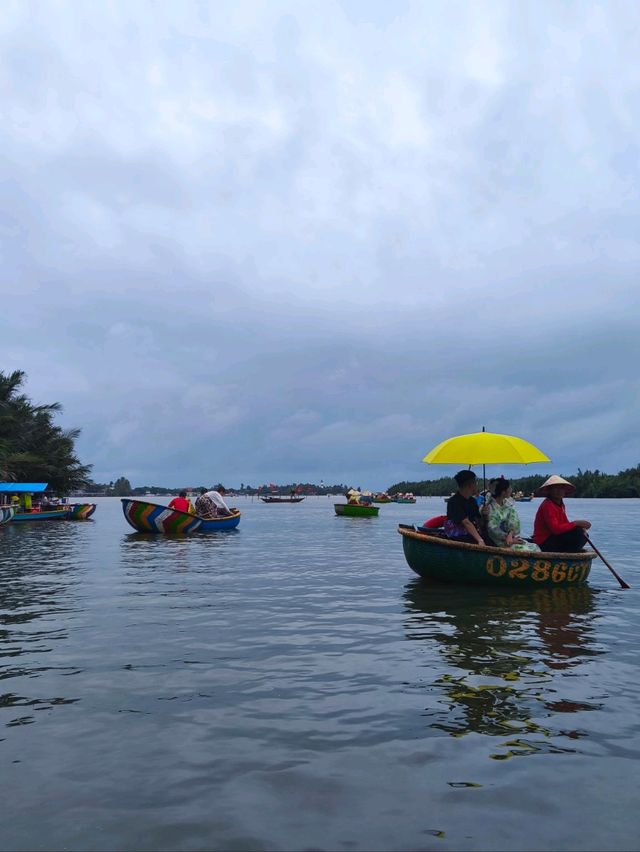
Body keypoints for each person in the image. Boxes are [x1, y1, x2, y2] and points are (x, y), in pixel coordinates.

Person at [532, 475, 591, 552]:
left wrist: (580, 527)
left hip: (553, 539)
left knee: (581, 532)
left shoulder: (560, 504)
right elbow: (555, 529)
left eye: (561, 488)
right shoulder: (547, 505)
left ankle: (572, 550)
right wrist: (576, 523)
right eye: (556, 488)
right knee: (578, 533)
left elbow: (565, 524)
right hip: (543, 542)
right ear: (550, 490)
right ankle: (571, 551)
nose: (559, 491)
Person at [486, 478, 539, 551]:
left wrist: (511, 534)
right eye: (509, 488)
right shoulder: (489, 507)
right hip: (499, 541)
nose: (511, 490)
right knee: (527, 550)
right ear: (503, 492)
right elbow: (492, 529)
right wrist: (508, 538)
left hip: (511, 538)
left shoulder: (508, 505)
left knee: (534, 546)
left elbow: (514, 522)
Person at [444, 470, 485, 546]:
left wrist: (485, 514)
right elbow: (466, 522)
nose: (477, 485)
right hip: (458, 537)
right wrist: (480, 540)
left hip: (471, 534)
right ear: (470, 484)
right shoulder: (454, 502)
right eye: (475, 482)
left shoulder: (472, 501)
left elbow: (479, 522)